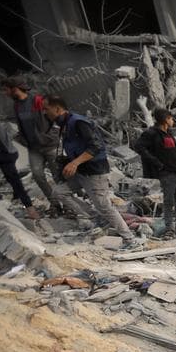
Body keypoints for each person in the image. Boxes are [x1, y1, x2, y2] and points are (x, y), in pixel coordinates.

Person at [43, 96, 139, 249]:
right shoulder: (64, 124)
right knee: (59, 192)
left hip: (94, 171)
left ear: (57, 109)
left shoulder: (78, 122)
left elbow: (96, 147)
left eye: (46, 109)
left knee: (104, 206)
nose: (44, 112)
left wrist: (74, 162)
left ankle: (130, 240)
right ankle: (97, 218)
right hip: (81, 171)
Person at [1, 77, 73, 216]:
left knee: (58, 177)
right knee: (38, 175)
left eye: (6, 90)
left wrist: (52, 135)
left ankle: (70, 207)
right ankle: (55, 204)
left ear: (14, 89)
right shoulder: (17, 106)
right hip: (34, 148)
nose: (5, 93)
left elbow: (56, 116)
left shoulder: (37, 100)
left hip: (50, 145)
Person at [133, 108, 176, 237]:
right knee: (169, 201)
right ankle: (169, 229)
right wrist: (157, 163)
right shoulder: (152, 133)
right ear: (166, 120)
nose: (173, 121)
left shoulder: (167, 133)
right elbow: (138, 146)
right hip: (167, 173)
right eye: (171, 119)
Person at [0, 111, 39, 219]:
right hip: (4, 155)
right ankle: (32, 211)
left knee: (15, 182)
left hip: (7, 154)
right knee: (15, 183)